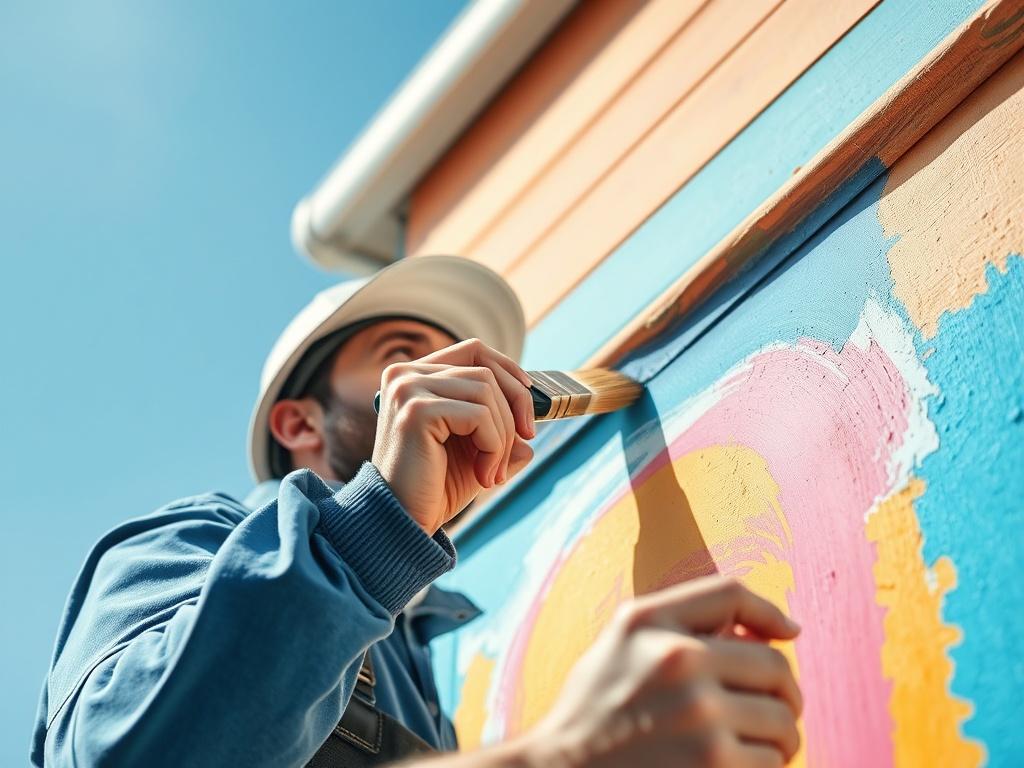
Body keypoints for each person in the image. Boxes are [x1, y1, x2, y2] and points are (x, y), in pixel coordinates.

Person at [32, 256, 802, 767]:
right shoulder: (189, 544)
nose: (456, 379)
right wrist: (561, 753)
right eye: (404, 355)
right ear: (299, 424)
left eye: (459, 357)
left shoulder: (424, 667)